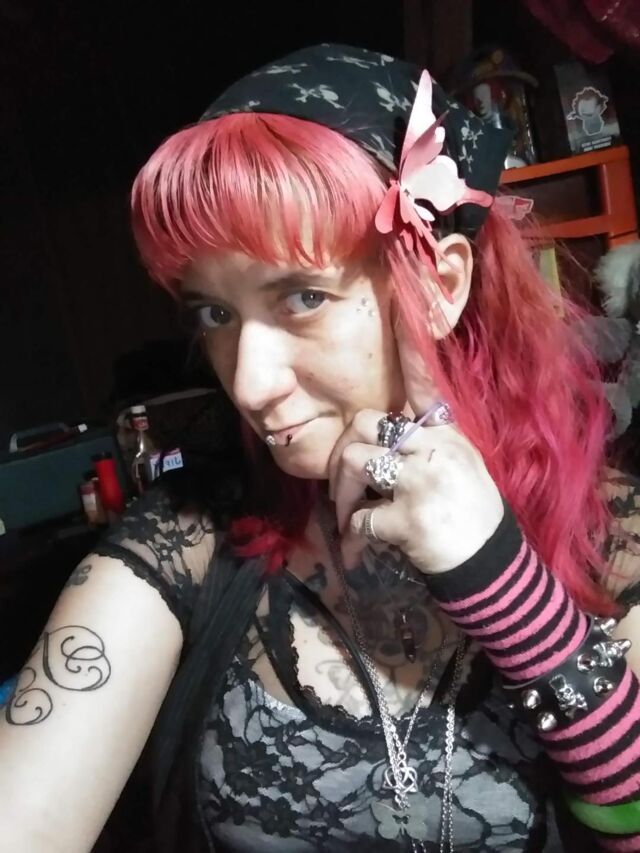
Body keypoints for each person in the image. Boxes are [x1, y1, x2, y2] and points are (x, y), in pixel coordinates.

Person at [2, 43, 640, 853]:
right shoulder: (185, 538)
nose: (248, 382)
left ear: (439, 285)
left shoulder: (609, 534)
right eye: (215, 314)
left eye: (302, 297)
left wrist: (499, 579)